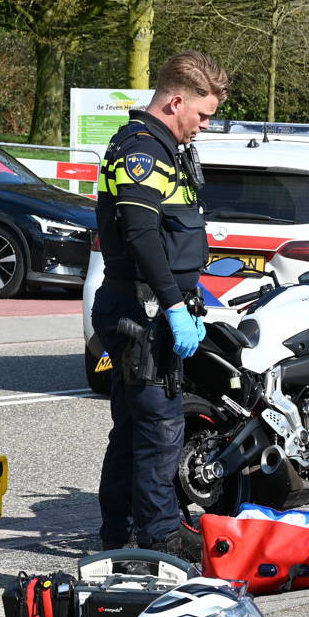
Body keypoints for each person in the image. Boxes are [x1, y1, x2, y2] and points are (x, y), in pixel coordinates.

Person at [93, 51, 228, 553]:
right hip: (141, 311)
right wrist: (172, 304)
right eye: (202, 114)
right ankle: (159, 538)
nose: (204, 125)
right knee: (159, 427)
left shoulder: (166, 149)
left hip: (148, 307)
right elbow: (142, 233)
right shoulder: (142, 150)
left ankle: (117, 535)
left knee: (133, 427)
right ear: (175, 101)